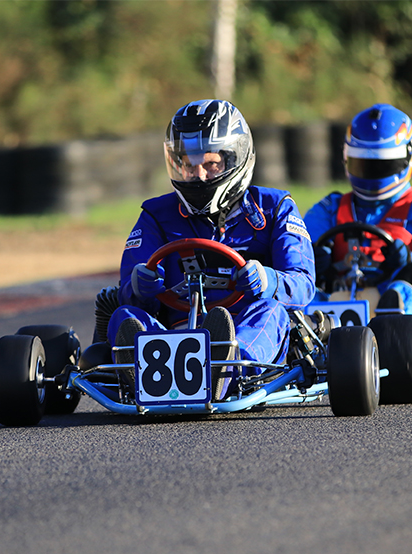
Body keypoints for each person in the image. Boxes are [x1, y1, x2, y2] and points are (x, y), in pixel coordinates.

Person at [107, 99, 316, 397]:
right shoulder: (156, 214)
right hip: (173, 332)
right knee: (124, 316)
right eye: (189, 165)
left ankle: (227, 366)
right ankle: (147, 373)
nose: (199, 175)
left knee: (271, 310)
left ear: (235, 160)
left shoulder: (274, 208)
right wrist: (139, 286)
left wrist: (269, 280)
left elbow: (305, 284)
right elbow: (129, 286)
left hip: (246, 325)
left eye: (210, 163)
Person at [303, 103, 412, 328]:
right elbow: (294, 252)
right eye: (363, 164)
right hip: (334, 305)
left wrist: (408, 260)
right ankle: (308, 333)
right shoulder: (330, 208)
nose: (371, 173)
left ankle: (394, 324)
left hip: (402, 306)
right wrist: (313, 259)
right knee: (296, 281)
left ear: (405, 157)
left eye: (381, 165)